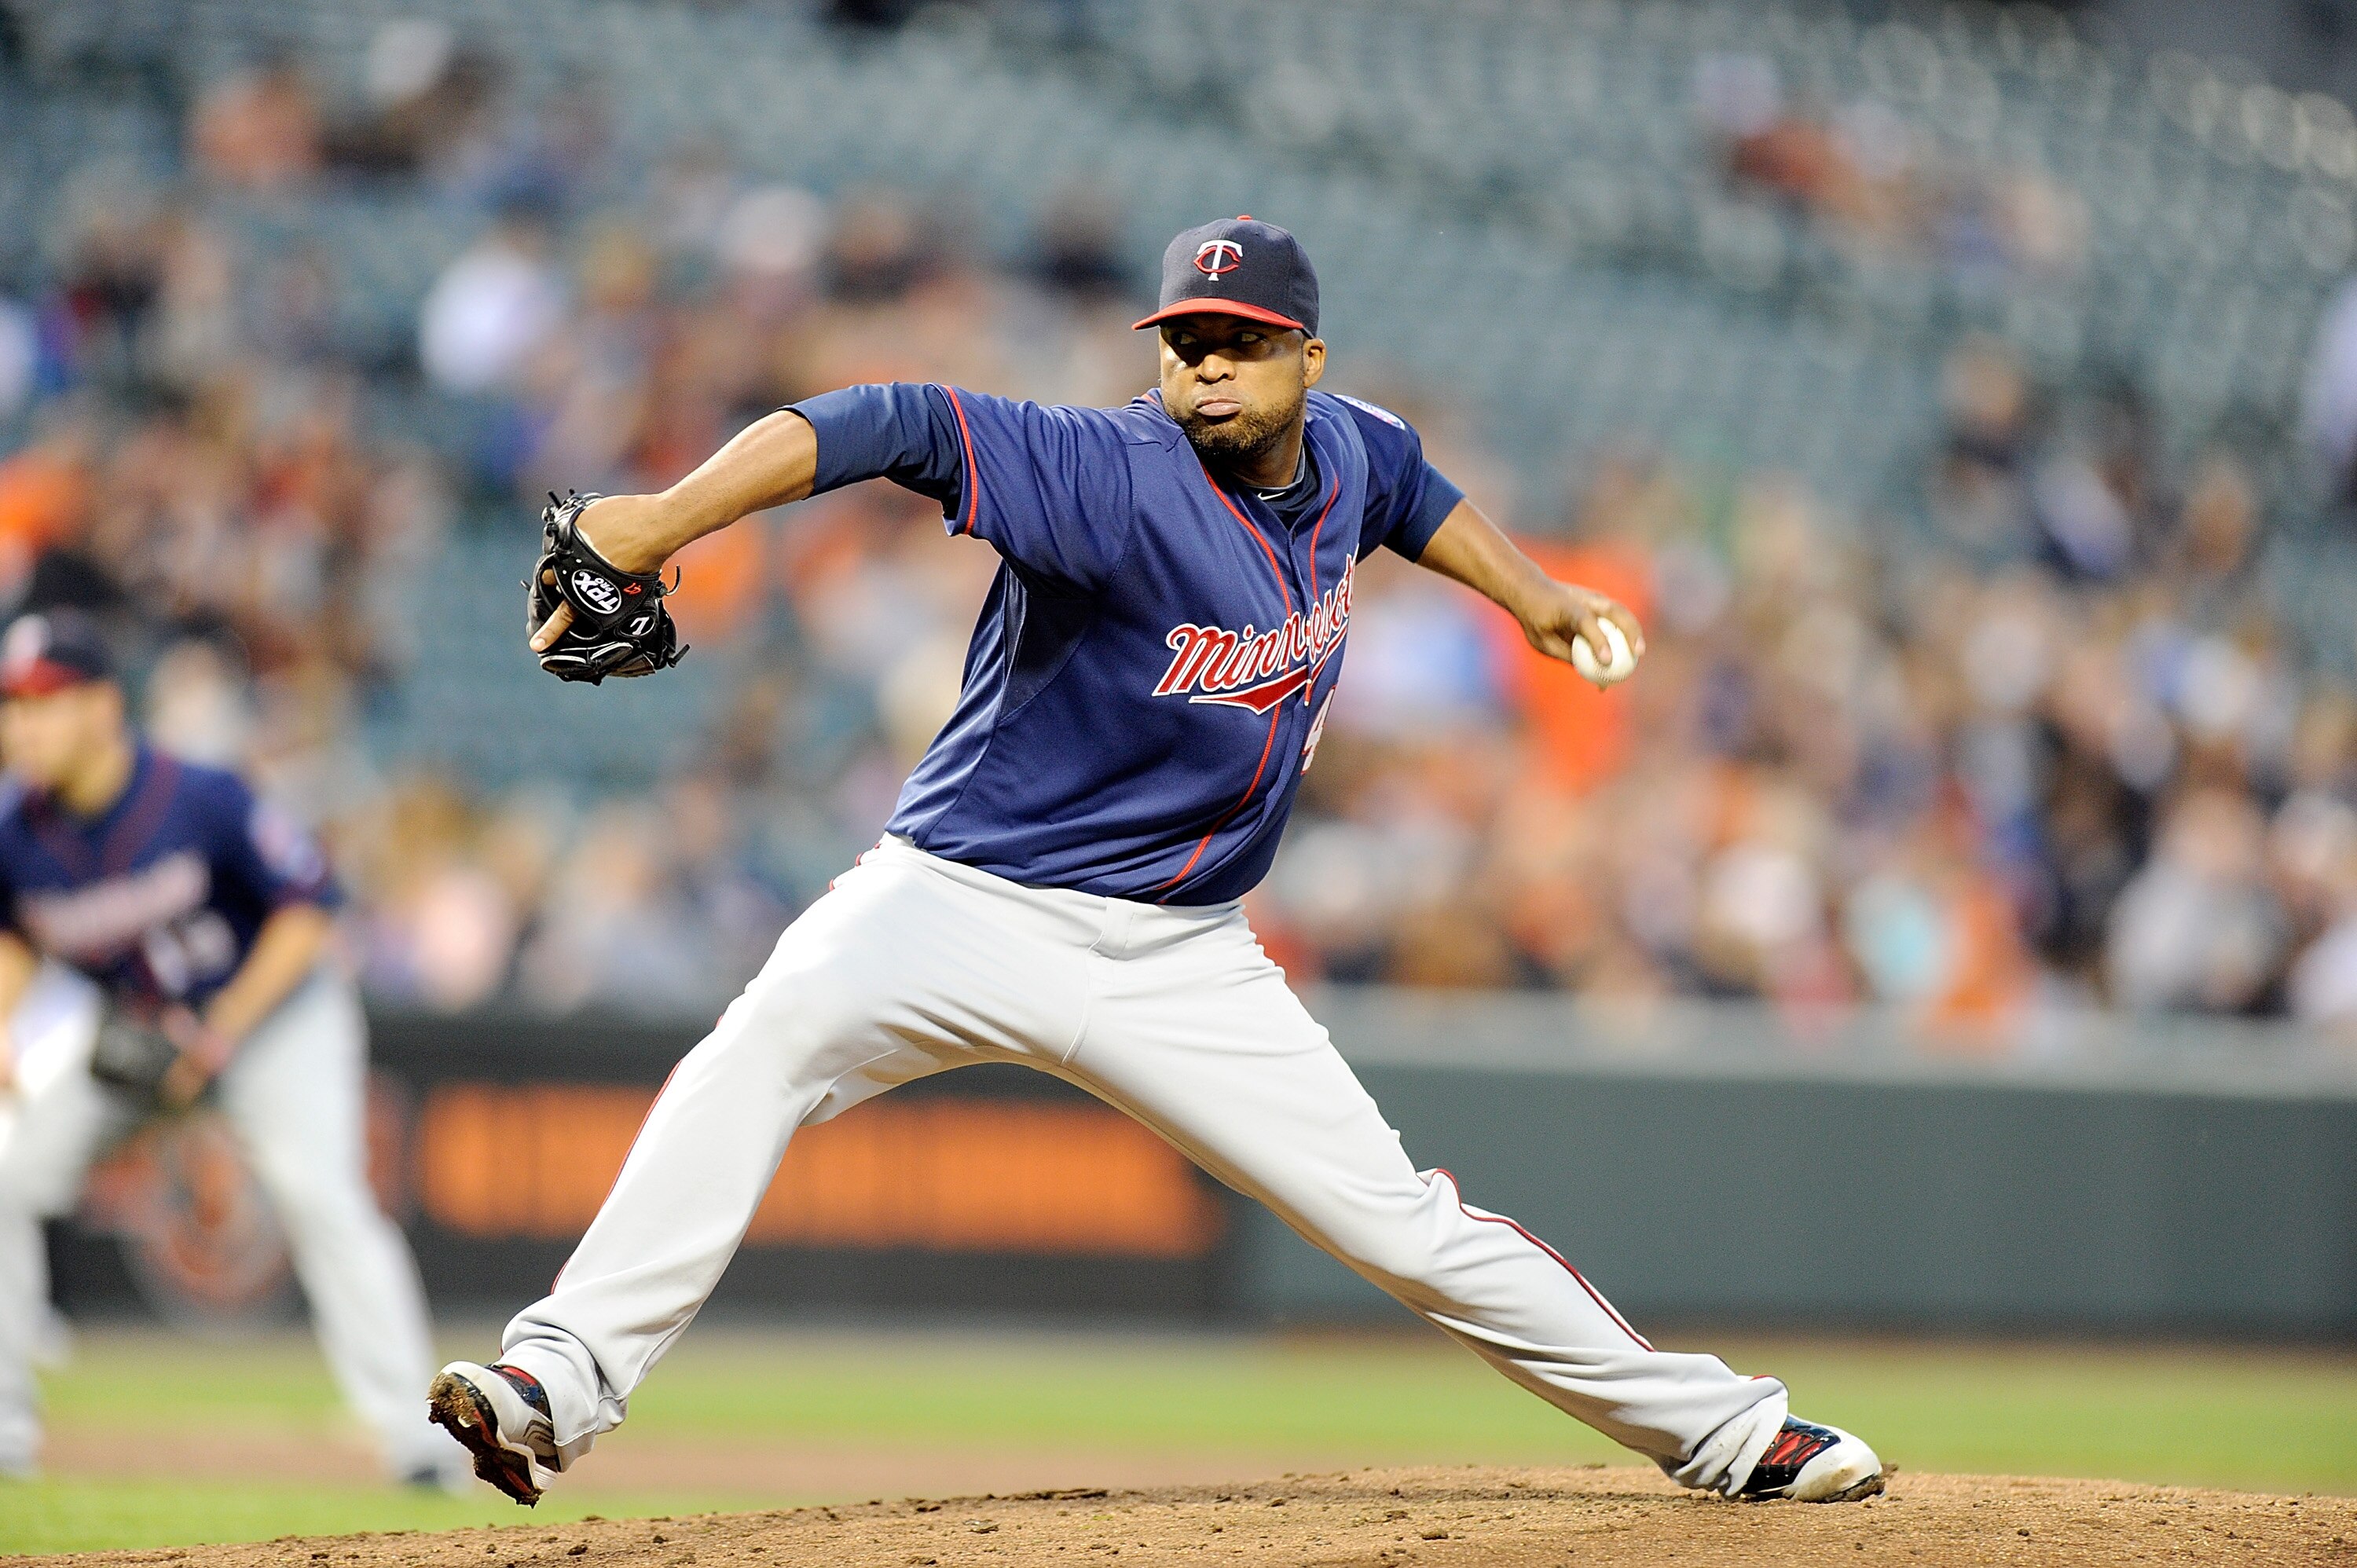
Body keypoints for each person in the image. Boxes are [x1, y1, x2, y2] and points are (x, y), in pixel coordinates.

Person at [431, 218, 1885, 1508]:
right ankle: (553, 1383)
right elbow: (892, 417)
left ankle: (1726, 1433)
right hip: (961, 899)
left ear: (1307, 358)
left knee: (1403, 1227)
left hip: (1186, 950)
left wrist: (1537, 597)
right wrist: (658, 518)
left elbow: (1416, 493)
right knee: (754, 1053)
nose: (1205, 367)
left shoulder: (1356, 449)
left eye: (1240, 343)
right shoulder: (1110, 470)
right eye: (1186, 338)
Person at [0, 611, 457, 1486]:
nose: (21, 722)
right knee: (7, 1179)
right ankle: (4, 1432)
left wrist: (222, 1031)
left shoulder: (198, 792)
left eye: (43, 701)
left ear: (103, 707)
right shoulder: (15, 828)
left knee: (321, 1194)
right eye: (12, 702)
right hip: (138, 1037)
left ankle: (415, 1438)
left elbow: (308, 908)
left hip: (275, 1021)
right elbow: (14, 932)